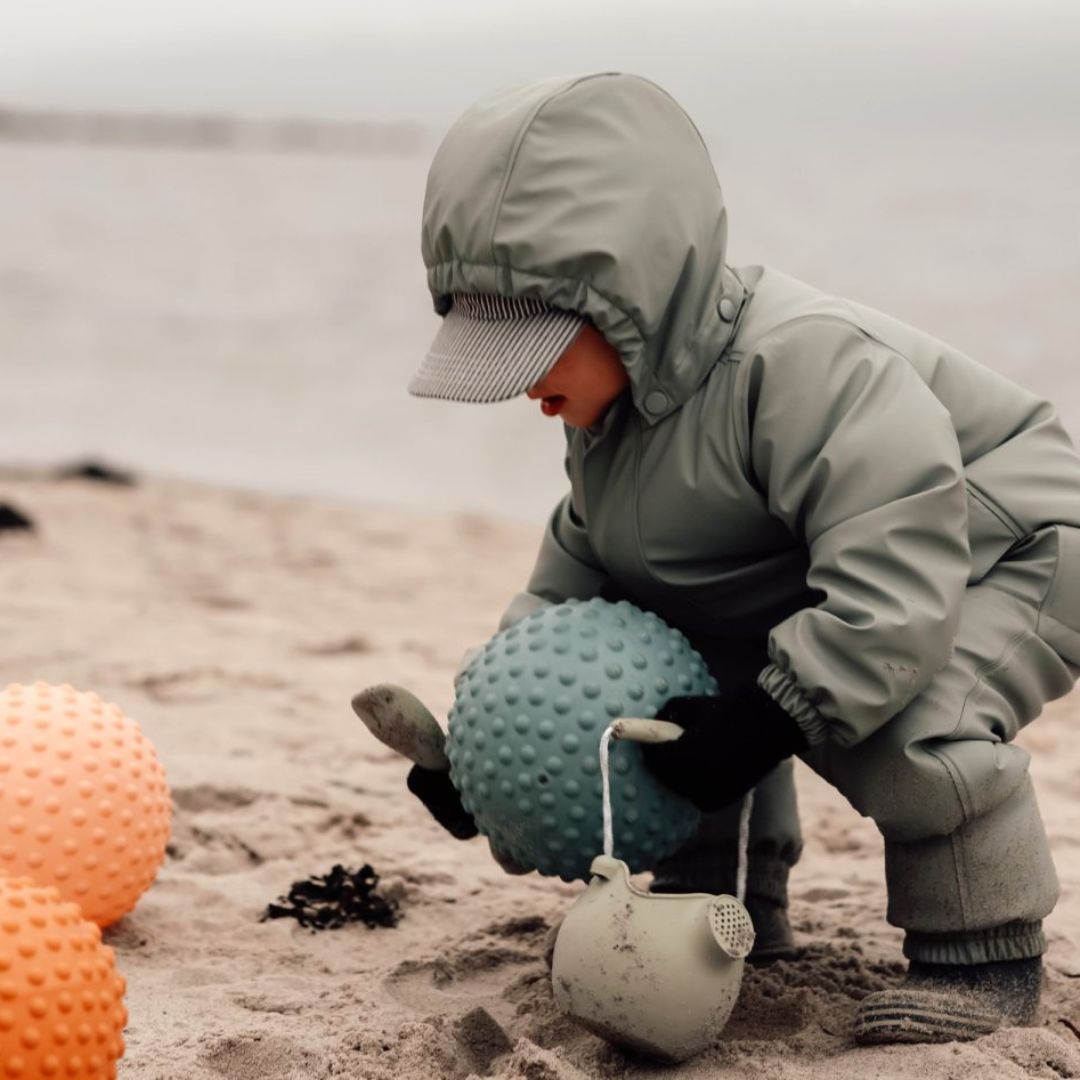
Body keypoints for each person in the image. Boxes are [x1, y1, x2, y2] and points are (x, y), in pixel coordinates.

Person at [403, 72, 1080, 1045]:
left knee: (906, 712)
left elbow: (898, 562)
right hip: (837, 555)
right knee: (676, 698)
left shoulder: (801, 364)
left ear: (630, 299)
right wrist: (485, 753)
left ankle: (985, 956)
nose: (523, 386)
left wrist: (780, 710)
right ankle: (720, 911)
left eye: (536, 346)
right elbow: (575, 593)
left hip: (1003, 541)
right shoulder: (611, 423)